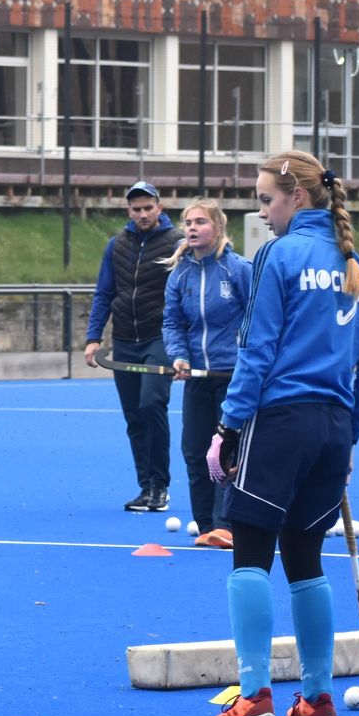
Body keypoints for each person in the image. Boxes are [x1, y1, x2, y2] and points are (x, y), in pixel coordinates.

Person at [206, 151, 359, 716]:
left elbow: (257, 351)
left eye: (266, 199)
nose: (260, 212)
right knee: (306, 559)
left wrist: (227, 427)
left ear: (298, 198)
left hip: (279, 422)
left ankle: (255, 695)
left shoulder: (277, 256)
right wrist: (348, 434)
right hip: (332, 429)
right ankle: (316, 700)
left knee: (251, 553)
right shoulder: (357, 265)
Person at [161, 199, 251, 549]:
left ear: (217, 227)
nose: (192, 228)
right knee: (195, 451)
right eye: (187, 222)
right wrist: (179, 357)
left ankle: (225, 524)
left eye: (200, 221)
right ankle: (204, 525)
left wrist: (246, 357)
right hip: (197, 377)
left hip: (233, 378)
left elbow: (258, 316)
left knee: (225, 452)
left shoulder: (238, 269)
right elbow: (172, 321)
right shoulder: (180, 273)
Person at [85, 181, 179, 512]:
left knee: (152, 404)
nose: (142, 214)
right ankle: (146, 487)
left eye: (147, 208)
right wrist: (93, 337)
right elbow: (104, 293)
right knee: (134, 415)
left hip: (160, 339)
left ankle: (161, 486)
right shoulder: (117, 245)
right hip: (124, 340)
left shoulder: (177, 243)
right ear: (129, 211)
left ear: (159, 207)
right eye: (136, 209)